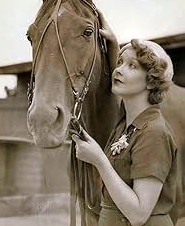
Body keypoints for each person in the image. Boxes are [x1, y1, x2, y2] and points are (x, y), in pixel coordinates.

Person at [71, 11, 178, 226]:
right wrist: (111, 44)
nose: (118, 70)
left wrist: (99, 159)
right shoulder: (126, 125)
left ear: (151, 80)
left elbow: (138, 215)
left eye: (132, 66)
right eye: (120, 63)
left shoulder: (153, 132)